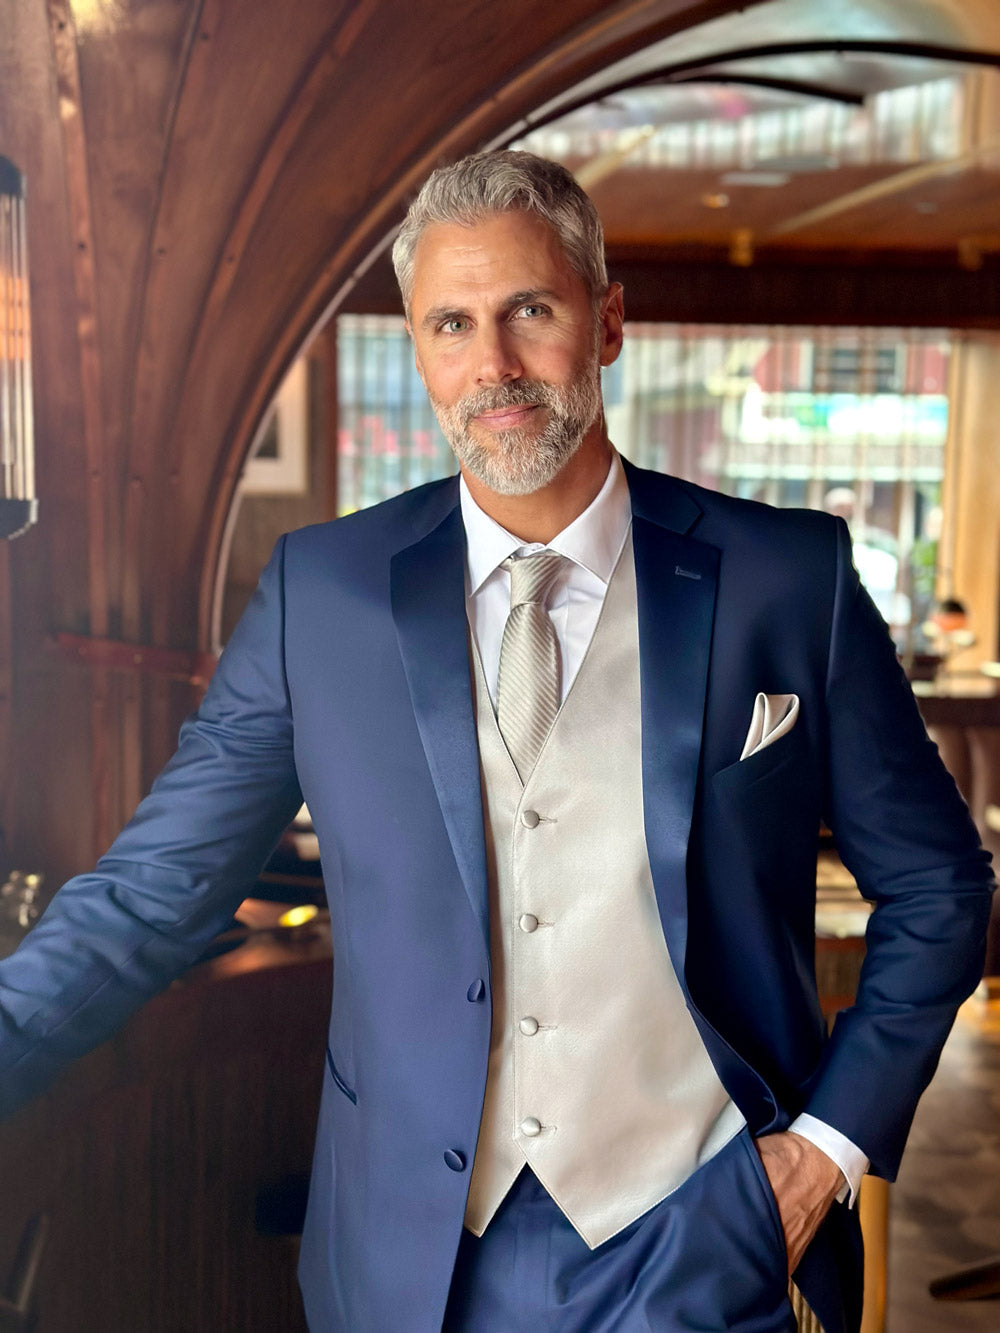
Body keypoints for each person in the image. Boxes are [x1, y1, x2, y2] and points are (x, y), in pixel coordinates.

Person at [0, 150, 994, 1333]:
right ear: (418, 351)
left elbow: (939, 885)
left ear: (607, 319)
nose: (495, 365)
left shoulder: (791, 577)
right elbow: (154, 893)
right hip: (412, 1259)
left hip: (706, 1234)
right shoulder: (323, 591)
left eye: (531, 309)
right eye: (452, 324)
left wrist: (823, 1152)